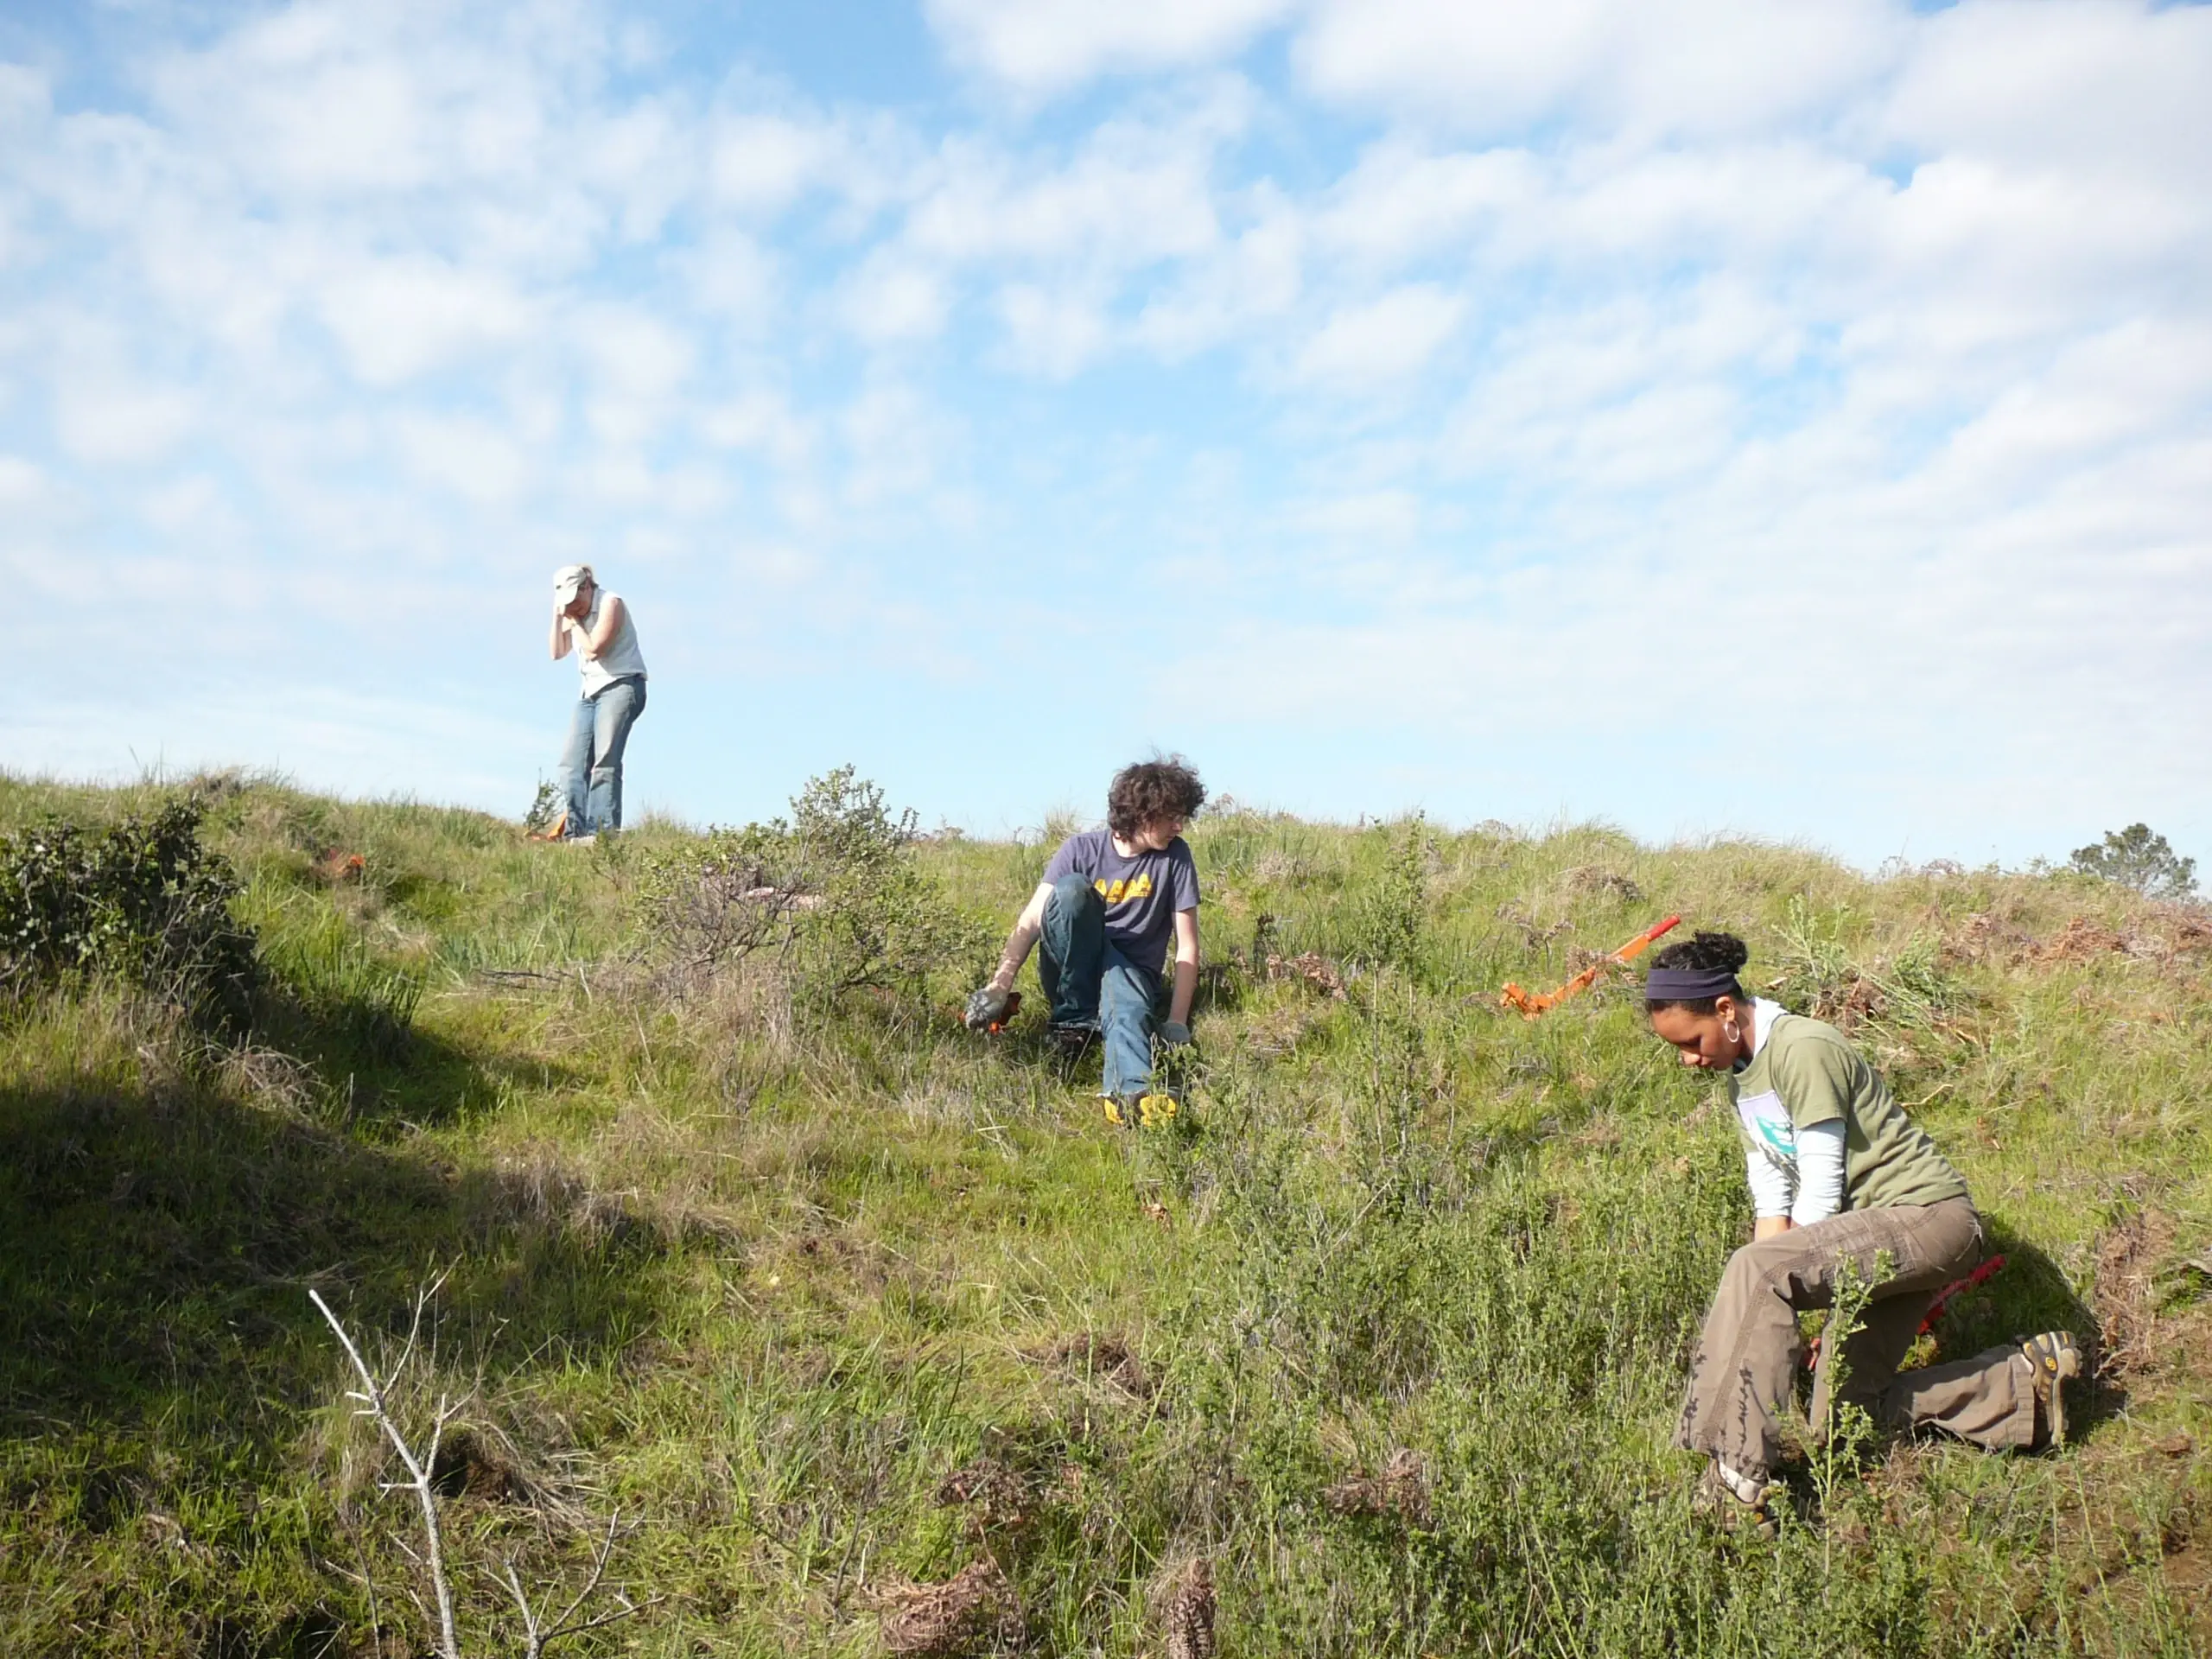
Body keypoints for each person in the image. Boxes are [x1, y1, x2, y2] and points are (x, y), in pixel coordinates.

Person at [1645, 930, 2081, 1534]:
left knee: (1755, 1268)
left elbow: (1821, 1186)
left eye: (1691, 1043)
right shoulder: (1742, 1081)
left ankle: (1736, 1479)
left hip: (1929, 1218)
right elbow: (1771, 1194)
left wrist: (1805, 1299)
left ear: (1725, 1010)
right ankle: (2021, 1384)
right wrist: (1769, 1317)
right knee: (1839, 1424)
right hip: (1869, 1239)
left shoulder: (1802, 1048)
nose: (1689, 1059)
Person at [966, 758, 1206, 1123]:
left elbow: (1187, 945)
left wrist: (1176, 1021)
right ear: (1143, 813)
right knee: (1073, 890)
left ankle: (1132, 1093)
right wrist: (1000, 986)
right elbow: (1032, 920)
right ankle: (1073, 1021)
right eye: (1171, 816)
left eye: (1183, 816)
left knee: (1127, 1005)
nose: (1179, 826)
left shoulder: (1176, 857)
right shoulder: (1079, 850)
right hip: (1070, 970)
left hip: (1130, 976)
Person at [547, 563, 647, 842]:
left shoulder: (610, 604)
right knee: (571, 764)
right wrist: (558, 618)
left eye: (575, 600)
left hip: (622, 684)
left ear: (587, 587)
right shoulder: (570, 611)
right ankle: (573, 834)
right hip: (589, 693)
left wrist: (575, 623)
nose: (572, 606)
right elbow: (557, 652)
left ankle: (600, 835)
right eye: (566, 602)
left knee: (605, 762)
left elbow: (593, 649)